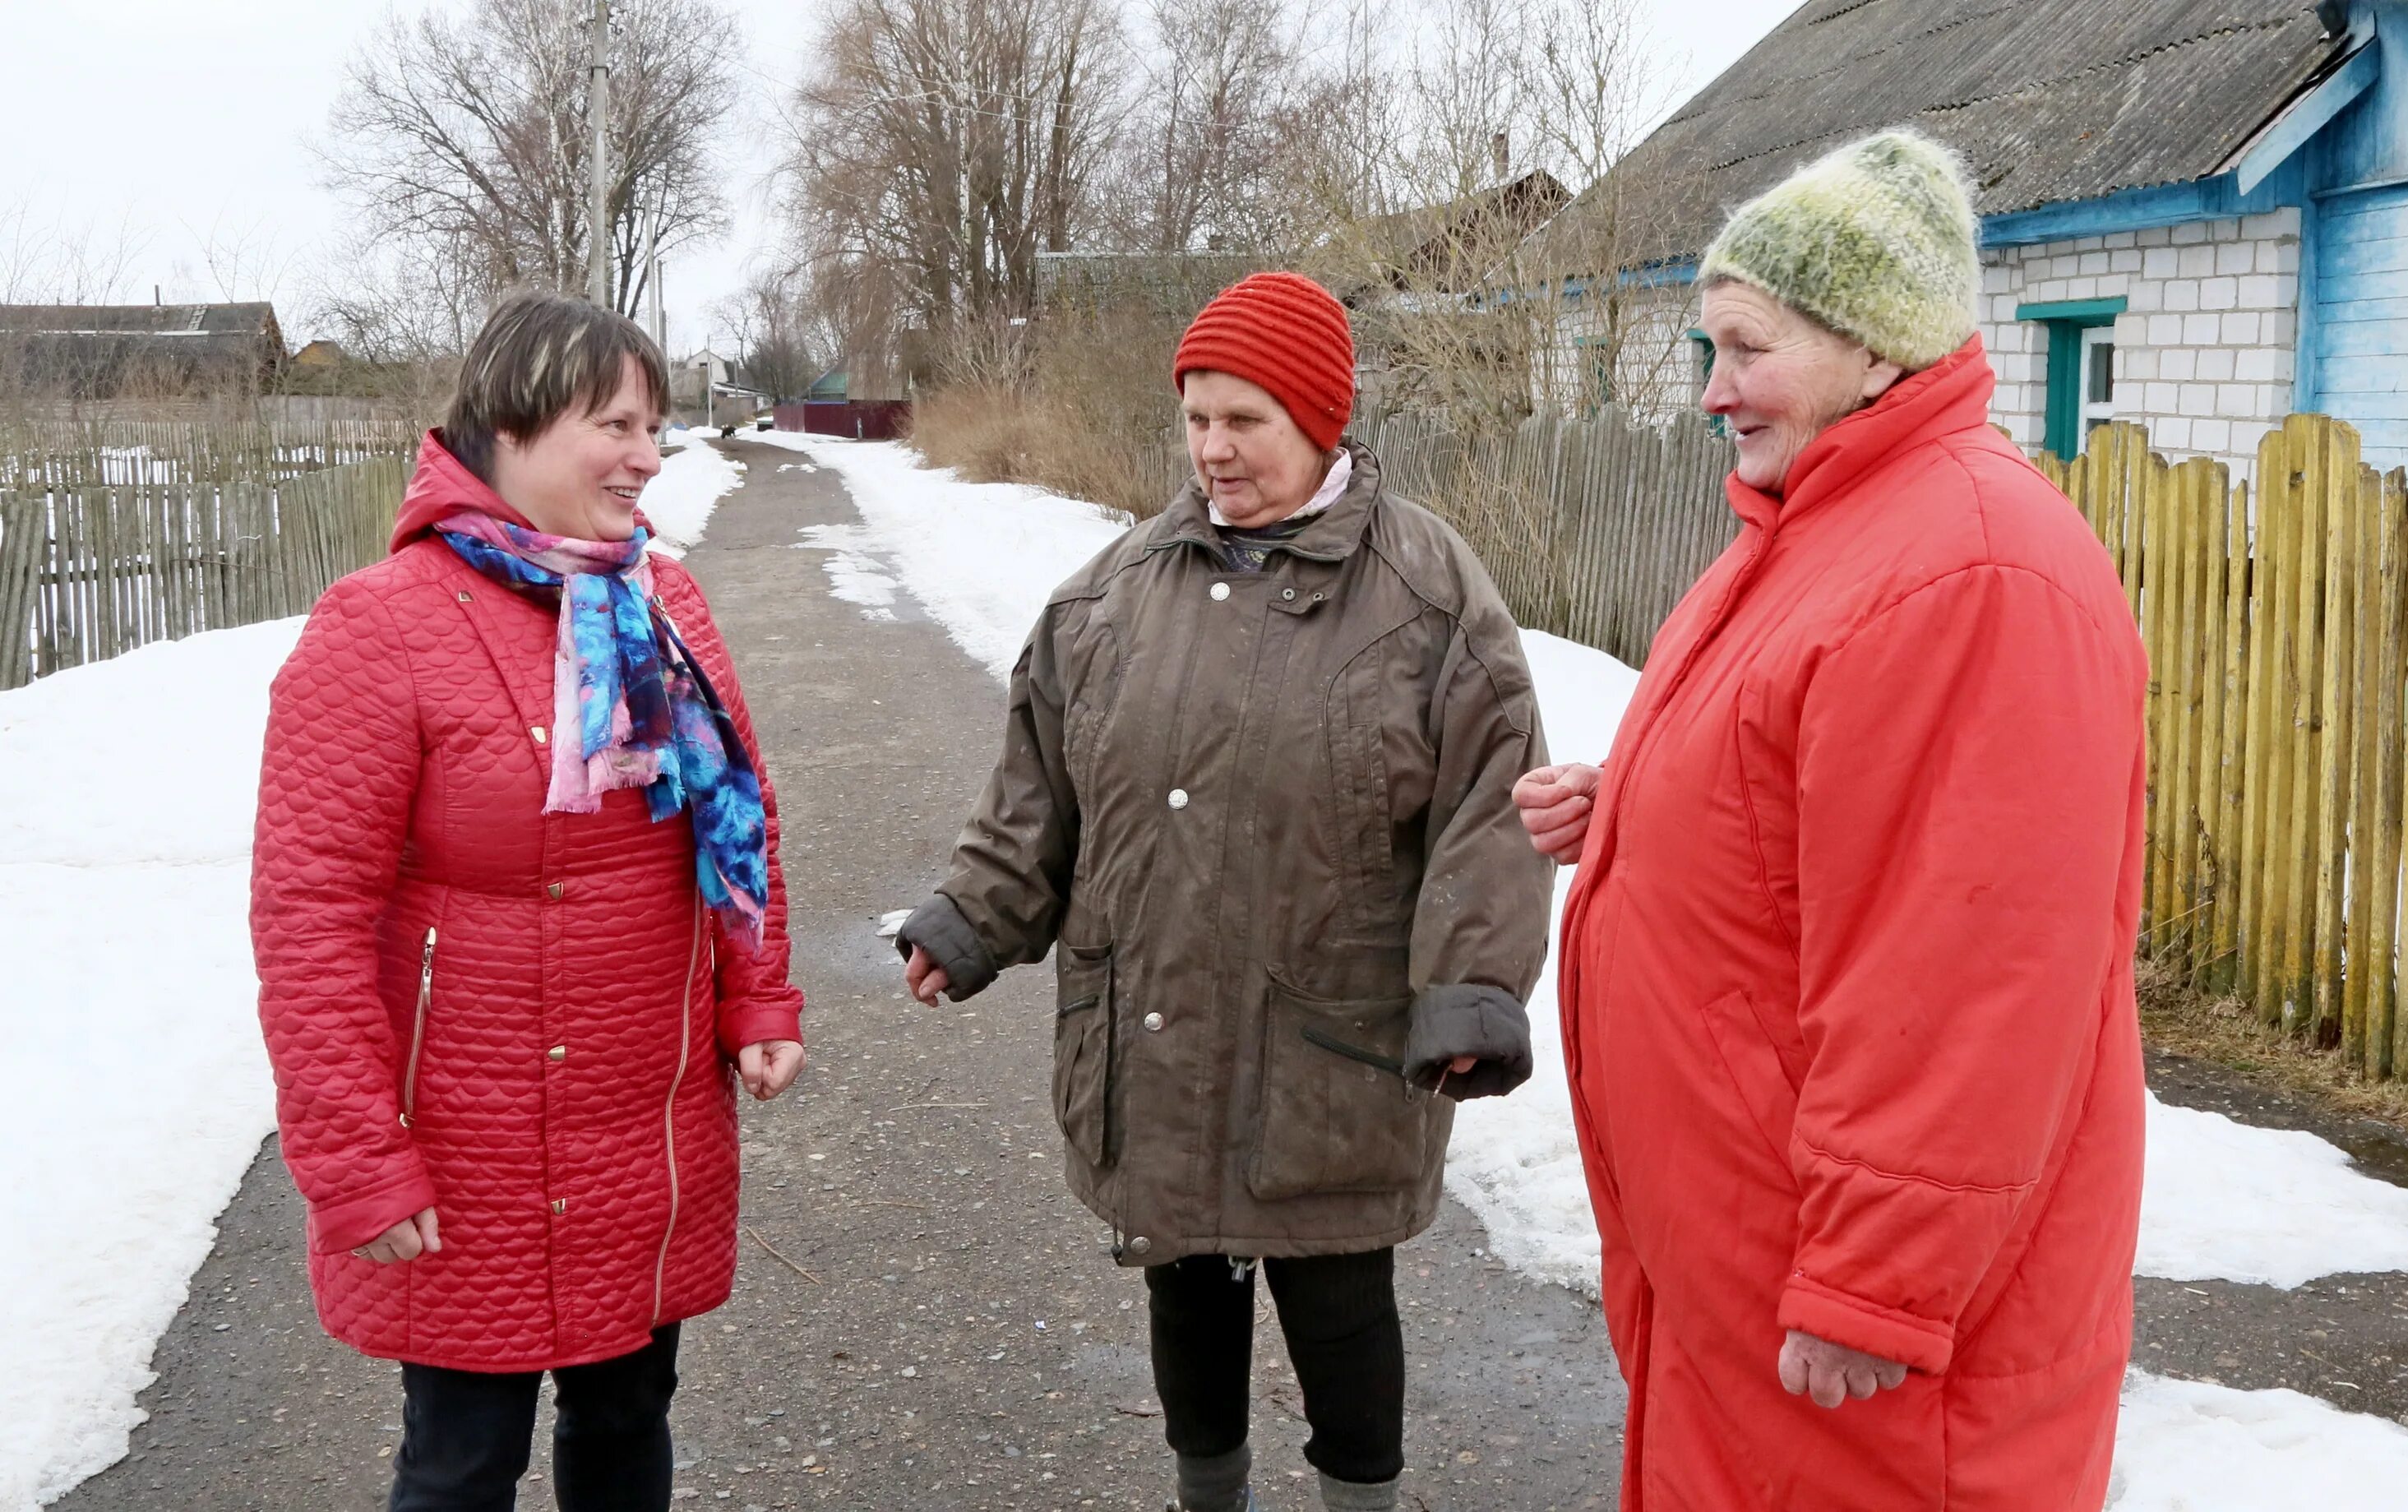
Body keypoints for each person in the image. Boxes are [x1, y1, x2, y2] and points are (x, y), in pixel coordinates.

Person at [1518, 132, 2149, 1510]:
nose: (1712, 391)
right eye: (1711, 348)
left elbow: (1976, 973)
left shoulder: (1969, 570)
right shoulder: (1825, 529)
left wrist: (1876, 1280)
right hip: (1740, 1240)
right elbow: (1811, 808)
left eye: (1746, 348)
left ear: (1874, 350)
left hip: (1860, 1318)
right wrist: (1632, 811)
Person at [894, 270, 1553, 1512]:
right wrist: (978, 914)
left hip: (1332, 1030)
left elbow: (1493, 800)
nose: (1212, 448)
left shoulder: (1426, 593)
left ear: (1319, 420)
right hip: (1157, 1015)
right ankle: (1211, 1497)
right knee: (1184, 1275)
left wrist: (1469, 989)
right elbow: (1041, 780)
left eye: (1243, 420)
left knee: (1340, 1294)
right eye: (1196, 417)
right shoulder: (1111, 595)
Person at [251, 290, 805, 1511]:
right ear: (516, 422)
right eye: (617, 422)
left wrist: (759, 999)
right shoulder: (378, 628)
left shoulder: (662, 602)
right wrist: (353, 1156)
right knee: (462, 1460)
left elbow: (736, 819)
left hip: (642, 1123)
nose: (649, 454)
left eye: (653, 426)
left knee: (626, 1426)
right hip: (469, 1142)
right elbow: (311, 917)